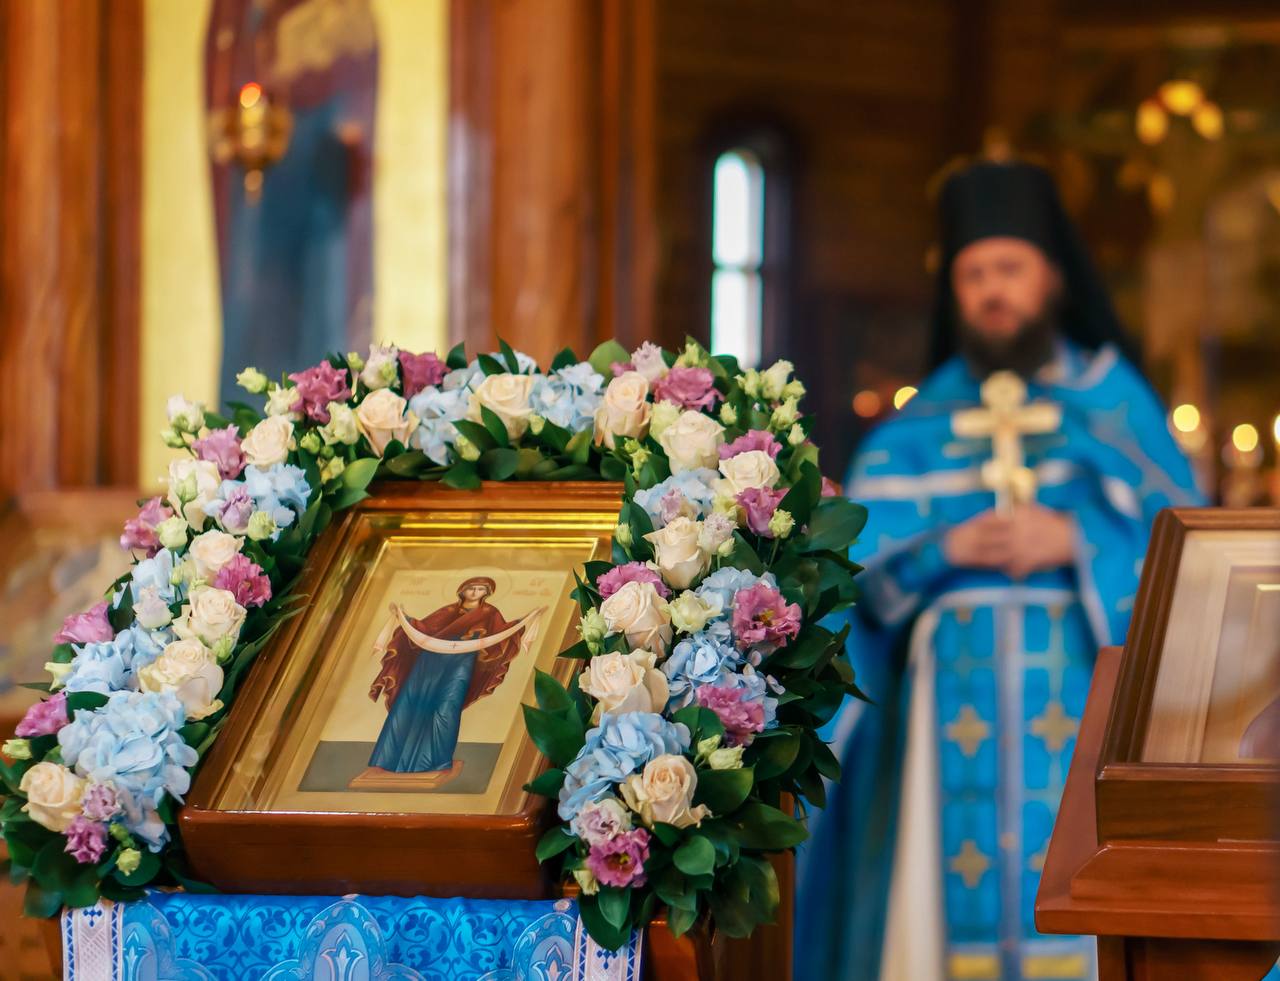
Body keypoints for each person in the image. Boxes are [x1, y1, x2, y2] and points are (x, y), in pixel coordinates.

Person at [795, 160, 1204, 981]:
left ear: (1053, 277)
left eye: (1009, 269)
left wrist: (1077, 540)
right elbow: (853, 580)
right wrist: (945, 550)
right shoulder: (920, 427)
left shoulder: (1113, 405)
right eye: (973, 274)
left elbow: (1188, 557)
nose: (992, 291)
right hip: (943, 711)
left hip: (1082, 702)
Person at [365, 576, 529, 780]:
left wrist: (521, 623)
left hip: (461, 663)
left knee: (446, 708)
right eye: (471, 588)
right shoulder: (448, 611)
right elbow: (423, 628)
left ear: (487, 593)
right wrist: (403, 617)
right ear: (462, 590)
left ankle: (436, 760)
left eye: (480, 589)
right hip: (430, 661)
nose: (475, 592)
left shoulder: (490, 613)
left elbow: (501, 633)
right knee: (412, 704)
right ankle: (389, 760)